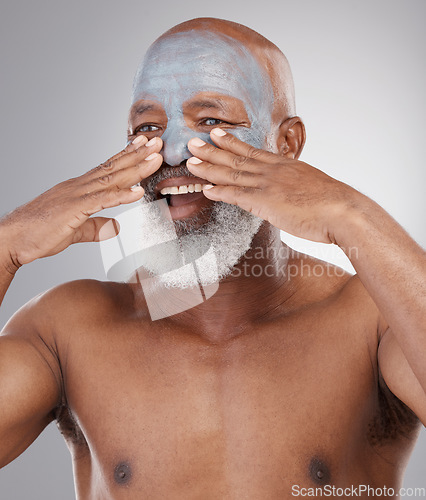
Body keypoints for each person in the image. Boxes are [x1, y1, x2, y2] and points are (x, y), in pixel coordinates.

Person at [0, 16, 425, 499]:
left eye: (212, 121)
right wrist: (7, 244)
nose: (173, 151)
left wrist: (352, 215)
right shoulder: (66, 331)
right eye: (148, 127)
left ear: (286, 144)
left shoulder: (375, 318)